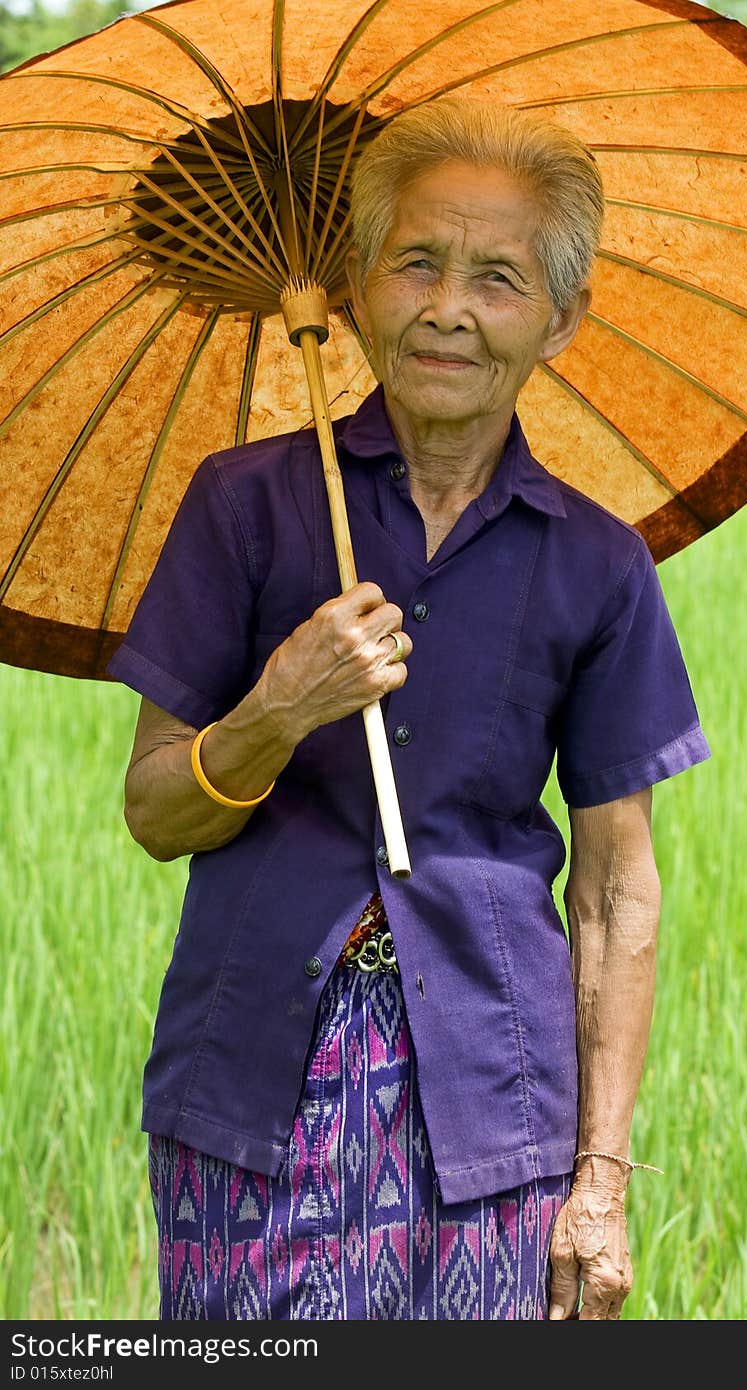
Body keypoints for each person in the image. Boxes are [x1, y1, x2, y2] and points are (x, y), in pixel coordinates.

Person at [108, 96, 710, 1321]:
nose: (448, 308)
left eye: (497, 277)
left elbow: (613, 887)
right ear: (357, 288)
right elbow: (157, 812)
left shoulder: (596, 562)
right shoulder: (247, 506)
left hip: (497, 1097)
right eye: (417, 263)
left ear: (560, 318)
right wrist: (278, 707)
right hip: (249, 1079)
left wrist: (599, 1180)